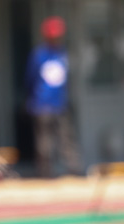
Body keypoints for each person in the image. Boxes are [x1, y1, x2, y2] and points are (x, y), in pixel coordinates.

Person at [26, 15, 82, 177]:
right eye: (54, 36)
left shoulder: (62, 53)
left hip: (60, 104)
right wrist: (33, 100)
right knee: (45, 142)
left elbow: (65, 79)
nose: (57, 38)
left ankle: (74, 171)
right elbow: (30, 79)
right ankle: (45, 173)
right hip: (41, 104)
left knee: (67, 138)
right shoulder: (39, 54)